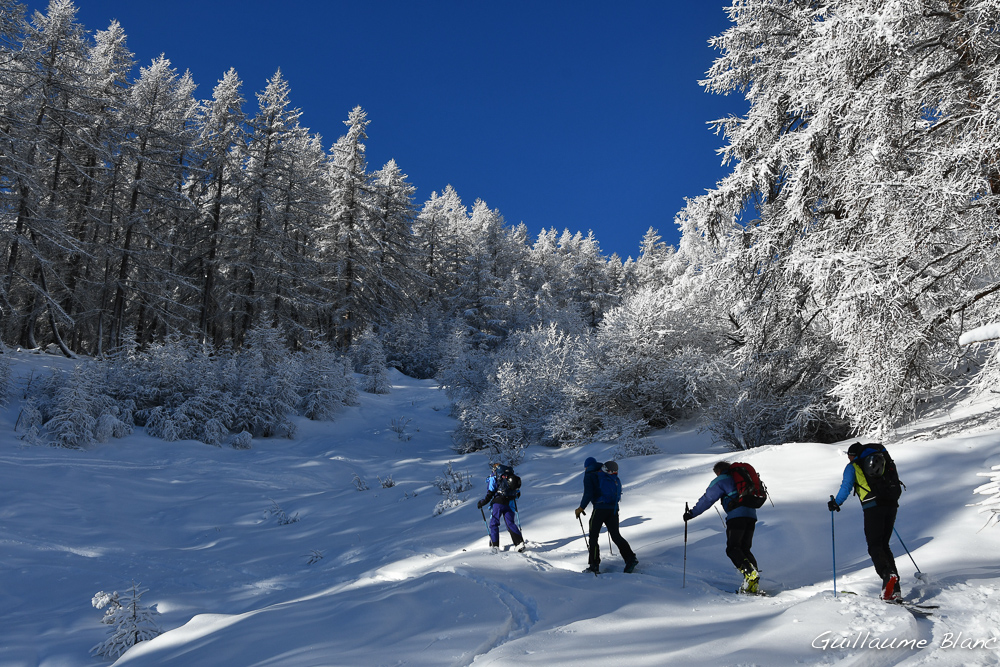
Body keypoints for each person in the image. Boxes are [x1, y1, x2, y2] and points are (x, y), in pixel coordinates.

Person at [828, 442, 902, 600]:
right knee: (884, 545)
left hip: (872, 507)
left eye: (849, 456)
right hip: (891, 504)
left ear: (853, 455)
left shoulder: (853, 466)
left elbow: (846, 486)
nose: (848, 458)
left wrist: (836, 503)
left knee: (874, 546)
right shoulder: (882, 459)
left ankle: (887, 575)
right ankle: (895, 589)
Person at [683, 461, 760, 593]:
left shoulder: (721, 480)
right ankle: (753, 581)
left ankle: (750, 574)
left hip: (736, 516)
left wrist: (691, 514)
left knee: (733, 548)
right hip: (751, 514)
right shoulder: (741, 477)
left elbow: (707, 500)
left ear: (718, 471)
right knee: (745, 549)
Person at [574, 457, 638, 574]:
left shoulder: (590, 475)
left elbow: (588, 493)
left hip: (599, 509)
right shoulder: (605, 472)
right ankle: (630, 558)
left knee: (593, 536)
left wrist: (581, 508)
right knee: (616, 535)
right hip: (613, 508)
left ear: (586, 466)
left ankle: (594, 565)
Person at [477, 462, 525, 553]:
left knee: (494, 523)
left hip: (498, 503)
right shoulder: (509, 476)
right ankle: (519, 543)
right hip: (510, 503)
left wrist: (482, 503)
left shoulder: (494, 476)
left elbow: (490, 493)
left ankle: (495, 546)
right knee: (510, 523)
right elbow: (518, 493)